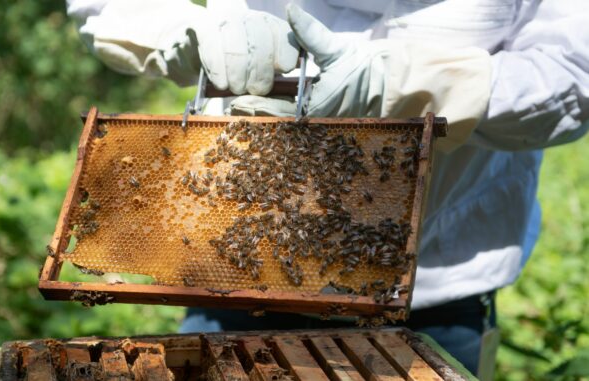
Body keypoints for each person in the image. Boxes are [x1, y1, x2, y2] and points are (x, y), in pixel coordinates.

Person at [66, 0, 589, 376]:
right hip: (238, 278)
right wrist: (185, 31)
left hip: (437, 294)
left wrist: (404, 85)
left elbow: (574, 75)